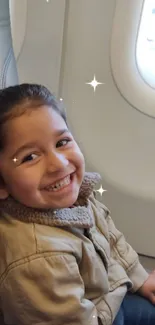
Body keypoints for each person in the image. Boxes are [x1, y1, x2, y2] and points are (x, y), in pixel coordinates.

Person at [0, 84, 154, 325]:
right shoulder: (38, 259)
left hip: (106, 298)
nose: (58, 165)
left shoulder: (75, 196)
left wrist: (139, 277)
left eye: (62, 142)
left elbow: (110, 237)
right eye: (30, 157)